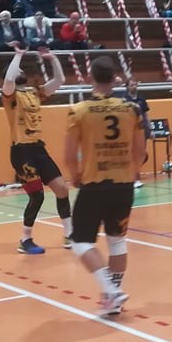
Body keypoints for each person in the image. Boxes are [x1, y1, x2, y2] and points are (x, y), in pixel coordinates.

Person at [64, 56, 146, 315]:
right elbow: (140, 150)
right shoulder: (131, 109)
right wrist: (133, 171)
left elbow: (69, 155)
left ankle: (111, 291)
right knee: (117, 241)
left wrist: (75, 175)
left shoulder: (79, 110)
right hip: (124, 185)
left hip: (95, 184)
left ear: (91, 77)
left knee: (80, 242)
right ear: (114, 78)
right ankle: (113, 300)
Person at [2, 45, 73, 255]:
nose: (21, 70)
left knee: (62, 188)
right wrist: (18, 55)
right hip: (21, 151)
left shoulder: (34, 92)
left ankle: (70, 235)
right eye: (18, 69)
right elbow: (9, 79)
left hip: (38, 148)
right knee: (37, 196)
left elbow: (59, 80)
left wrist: (52, 58)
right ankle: (25, 239)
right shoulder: (10, 95)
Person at [123, 78, 151, 189]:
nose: (134, 87)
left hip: (142, 130)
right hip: (130, 132)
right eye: (131, 85)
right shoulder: (125, 100)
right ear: (127, 87)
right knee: (131, 154)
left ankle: (135, 177)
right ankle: (133, 178)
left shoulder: (142, 100)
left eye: (135, 85)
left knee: (141, 154)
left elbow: (146, 116)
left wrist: (150, 129)